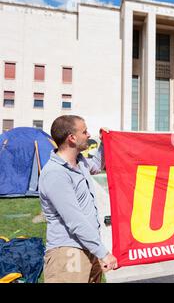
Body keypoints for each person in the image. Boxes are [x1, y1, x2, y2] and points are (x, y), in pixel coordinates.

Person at [38, 115, 117, 283]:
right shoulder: (55, 173)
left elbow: (97, 164)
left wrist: (104, 143)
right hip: (68, 252)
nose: (89, 135)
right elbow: (75, 220)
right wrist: (103, 253)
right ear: (72, 138)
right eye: (84, 131)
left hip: (88, 247)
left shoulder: (80, 163)